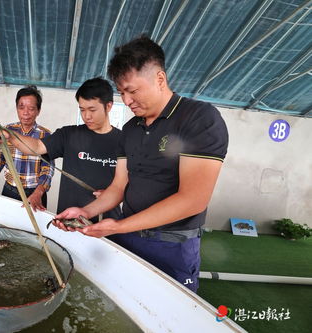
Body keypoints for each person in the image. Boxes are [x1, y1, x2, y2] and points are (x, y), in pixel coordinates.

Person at [54, 35, 229, 293]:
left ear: (159, 79)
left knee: (170, 312)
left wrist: (119, 226)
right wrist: (86, 212)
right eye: (122, 92)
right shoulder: (130, 129)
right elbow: (118, 186)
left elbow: (193, 199)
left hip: (171, 245)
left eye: (133, 90)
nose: (127, 100)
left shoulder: (199, 118)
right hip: (129, 237)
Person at [0, 78, 122, 220]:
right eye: (82, 110)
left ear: (108, 106)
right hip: (67, 220)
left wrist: (116, 193)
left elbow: (136, 182)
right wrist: (9, 136)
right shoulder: (68, 135)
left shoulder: (124, 140)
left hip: (106, 221)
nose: (86, 116)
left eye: (92, 110)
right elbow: (37, 147)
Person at [0, 85, 54, 212]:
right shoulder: (7, 130)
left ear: (38, 110)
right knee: (6, 228)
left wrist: (38, 193)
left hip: (35, 194)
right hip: (9, 191)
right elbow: (0, 160)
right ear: (16, 108)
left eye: (31, 108)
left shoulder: (45, 135)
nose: (25, 113)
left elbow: (48, 168)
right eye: (21, 108)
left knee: (32, 230)